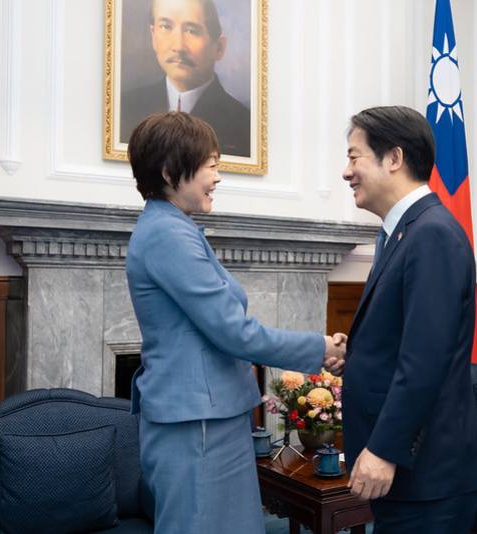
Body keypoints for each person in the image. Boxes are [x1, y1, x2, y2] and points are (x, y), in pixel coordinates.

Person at [125, 111, 345, 533]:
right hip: (196, 422)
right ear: (172, 171)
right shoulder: (167, 235)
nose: (217, 176)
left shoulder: (175, 228)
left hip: (207, 415)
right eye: (211, 165)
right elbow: (233, 331)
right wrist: (321, 348)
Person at [340, 106, 477, 533]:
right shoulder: (402, 232)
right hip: (414, 470)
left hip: (428, 471)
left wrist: (384, 449)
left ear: (394, 159)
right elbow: (406, 337)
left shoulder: (431, 234)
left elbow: (425, 360)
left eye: (354, 157)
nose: (346, 172)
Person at [120, 0, 250, 157]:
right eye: (165, 27)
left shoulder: (243, 124)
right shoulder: (125, 106)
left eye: (191, 31)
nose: (178, 46)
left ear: (219, 48)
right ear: (153, 36)